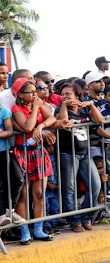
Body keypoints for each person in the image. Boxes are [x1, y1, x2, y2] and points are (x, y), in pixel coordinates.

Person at [12, 78, 57, 244]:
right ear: (20, 94)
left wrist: (41, 127)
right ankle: (25, 230)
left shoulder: (37, 105)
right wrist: (37, 109)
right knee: (23, 195)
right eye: (29, 92)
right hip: (23, 153)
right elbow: (27, 127)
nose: (33, 94)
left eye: (34, 91)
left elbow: (51, 118)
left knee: (39, 193)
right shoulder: (16, 108)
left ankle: (39, 229)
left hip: (38, 152)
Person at [55, 83, 104, 233]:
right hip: (68, 153)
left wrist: (91, 105)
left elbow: (100, 120)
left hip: (84, 153)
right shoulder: (60, 109)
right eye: (63, 94)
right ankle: (74, 220)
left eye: (68, 94)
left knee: (95, 185)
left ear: (77, 95)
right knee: (69, 188)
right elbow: (64, 122)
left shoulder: (84, 110)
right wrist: (64, 105)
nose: (65, 96)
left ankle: (85, 216)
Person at [0, 98, 22, 226]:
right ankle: (1, 214)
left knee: (17, 179)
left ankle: (10, 211)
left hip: (4, 151)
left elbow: (9, 131)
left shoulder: (4, 111)